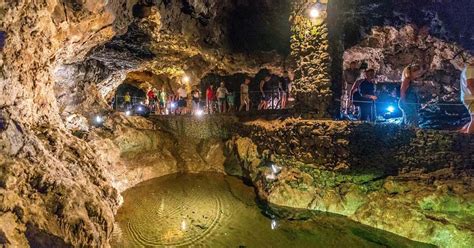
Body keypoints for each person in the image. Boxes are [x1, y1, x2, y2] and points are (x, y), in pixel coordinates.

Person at [460, 59, 474, 134]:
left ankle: (462, 131)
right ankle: (468, 139)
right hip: (471, 98)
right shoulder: (471, 69)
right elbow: (470, 85)